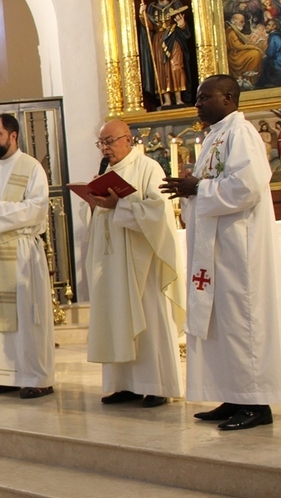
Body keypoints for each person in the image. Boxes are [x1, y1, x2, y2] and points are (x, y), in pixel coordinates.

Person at [160, 74, 281, 431]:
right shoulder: (214, 137)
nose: (198, 103)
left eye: (204, 97)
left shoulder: (242, 133)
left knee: (243, 322)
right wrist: (191, 193)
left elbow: (247, 187)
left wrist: (198, 188)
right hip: (217, 250)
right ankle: (234, 394)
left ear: (229, 97)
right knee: (223, 323)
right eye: (197, 97)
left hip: (240, 250)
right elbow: (213, 189)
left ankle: (256, 403)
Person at [85, 120, 183, 408]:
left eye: (109, 141)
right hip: (112, 260)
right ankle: (124, 385)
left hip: (143, 262)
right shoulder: (106, 172)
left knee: (148, 318)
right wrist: (94, 201)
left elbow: (159, 210)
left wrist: (120, 206)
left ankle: (156, 385)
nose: (105, 148)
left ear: (128, 139)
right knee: (116, 317)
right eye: (101, 143)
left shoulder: (149, 168)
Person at [0, 114, 54, 399]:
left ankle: (37, 378)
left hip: (21, 253)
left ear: (13, 135)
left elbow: (38, 208)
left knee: (28, 319)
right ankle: (5, 376)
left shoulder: (32, 168)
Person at [138, 0, 192, 108]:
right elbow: (148, 27)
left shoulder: (176, 4)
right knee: (162, 69)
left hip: (173, 37)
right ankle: (167, 99)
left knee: (176, 66)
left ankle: (179, 98)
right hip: (158, 40)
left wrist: (182, 24)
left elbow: (184, 27)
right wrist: (142, 14)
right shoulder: (151, 7)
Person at [224, 13, 263, 86]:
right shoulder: (231, 32)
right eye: (241, 22)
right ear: (234, 22)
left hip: (238, 53)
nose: (243, 24)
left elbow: (242, 38)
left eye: (244, 22)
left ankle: (251, 77)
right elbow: (237, 46)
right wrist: (252, 46)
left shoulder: (235, 30)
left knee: (255, 52)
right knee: (255, 54)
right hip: (234, 56)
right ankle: (248, 78)